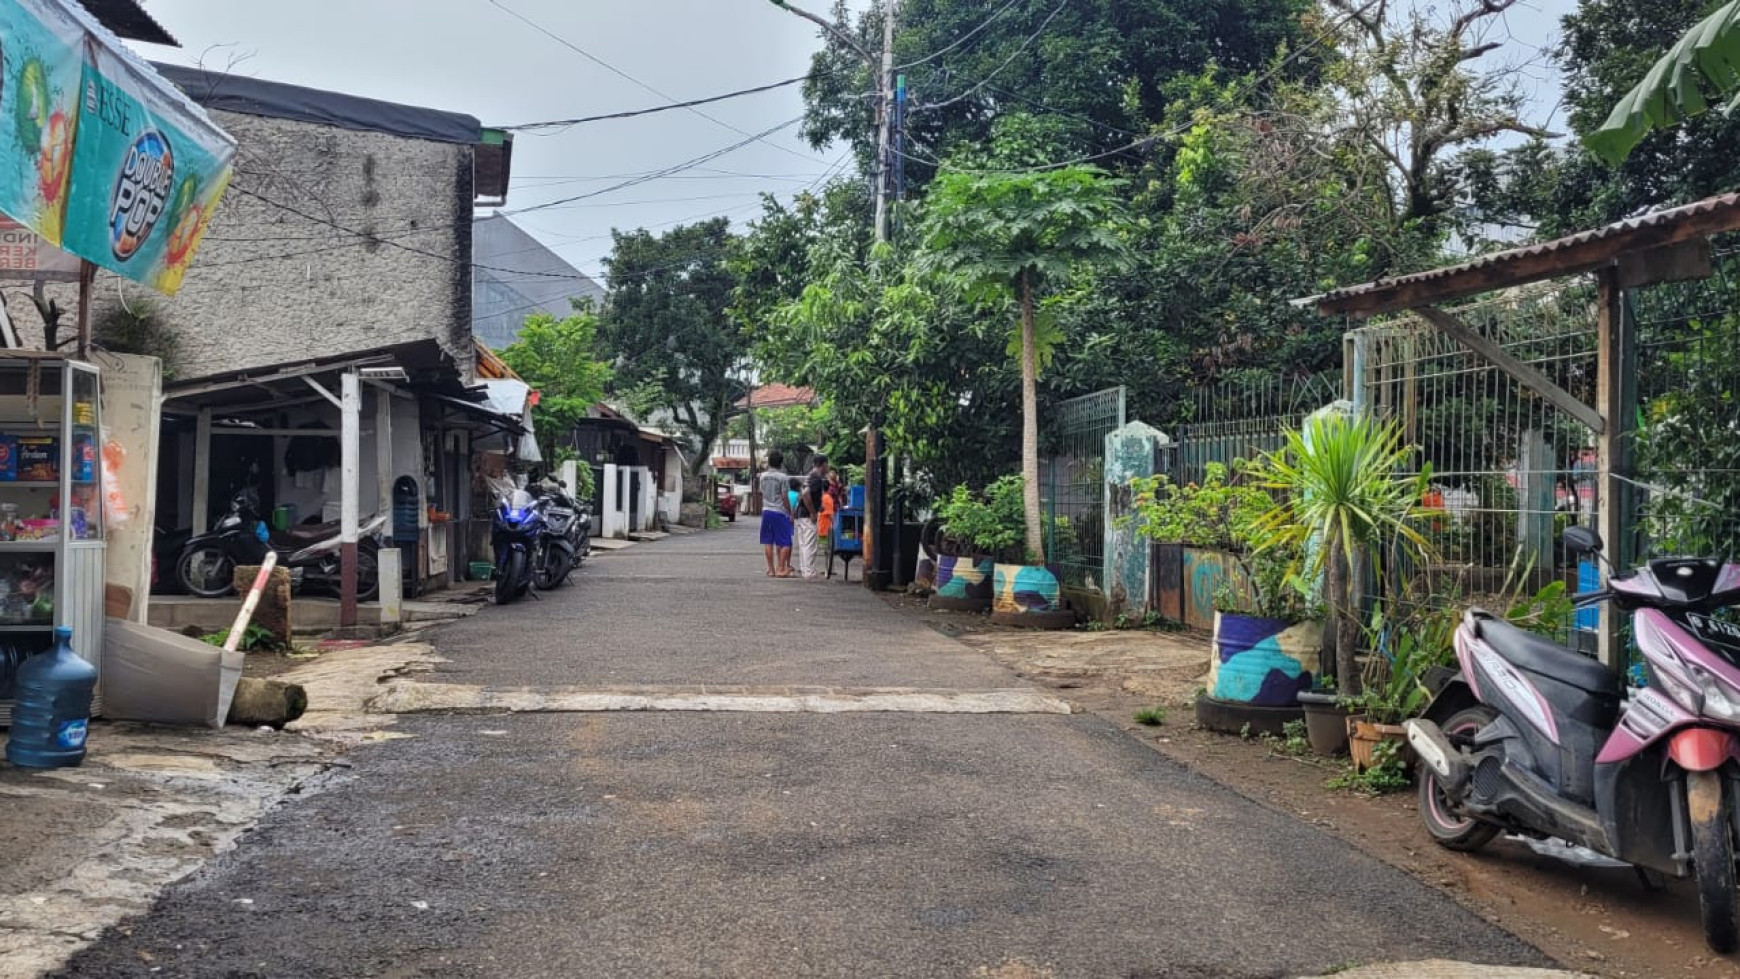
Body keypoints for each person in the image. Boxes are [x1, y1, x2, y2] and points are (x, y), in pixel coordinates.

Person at [758, 451, 794, 577]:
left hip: (766, 510)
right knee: (785, 542)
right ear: (781, 463)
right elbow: (784, 497)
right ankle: (781, 568)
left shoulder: (762, 476)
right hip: (779, 511)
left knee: (768, 541)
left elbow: (762, 492)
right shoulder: (783, 477)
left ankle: (771, 569)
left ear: (769, 462)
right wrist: (790, 512)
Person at [794, 455, 830, 580]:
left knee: (804, 544)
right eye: (827, 464)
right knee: (810, 544)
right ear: (823, 464)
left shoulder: (809, 476)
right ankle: (809, 572)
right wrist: (813, 512)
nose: (828, 468)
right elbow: (805, 494)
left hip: (801, 514)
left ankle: (805, 570)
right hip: (807, 515)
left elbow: (802, 494)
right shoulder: (816, 478)